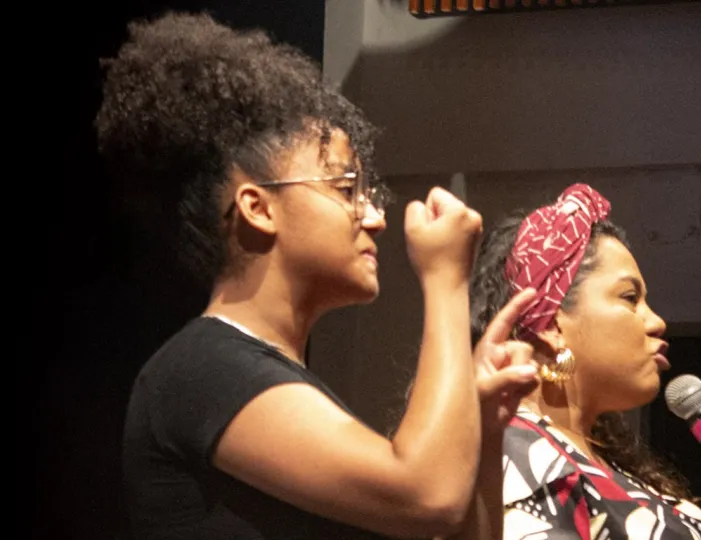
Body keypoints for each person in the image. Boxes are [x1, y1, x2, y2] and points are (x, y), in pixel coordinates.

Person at [95, 12, 541, 540]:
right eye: (346, 189)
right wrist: (446, 280)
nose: (375, 217)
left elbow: (441, 517)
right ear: (259, 208)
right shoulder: (202, 369)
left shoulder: (281, 384)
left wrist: (480, 424)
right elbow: (426, 496)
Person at [467, 183, 701, 540]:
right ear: (552, 325)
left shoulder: (593, 463)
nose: (657, 322)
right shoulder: (514, 451)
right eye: (630, 298)